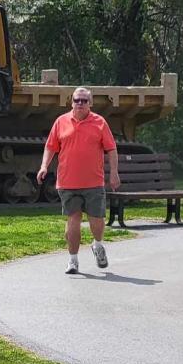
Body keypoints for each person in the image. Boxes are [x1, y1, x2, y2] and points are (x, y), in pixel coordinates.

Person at [36, 87, 120, 274]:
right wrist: (44, 166)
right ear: (71, 102)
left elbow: (111, 149)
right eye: (76, 100)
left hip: (94, 182)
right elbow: (50, 147)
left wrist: (114, 173)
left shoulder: (100, 123)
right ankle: (73, 261)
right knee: (73, 220)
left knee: (96, 221)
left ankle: (98, 245)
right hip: (68, 182)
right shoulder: (61, 122)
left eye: (84, 100)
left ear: (90, 103)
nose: (80, 103)